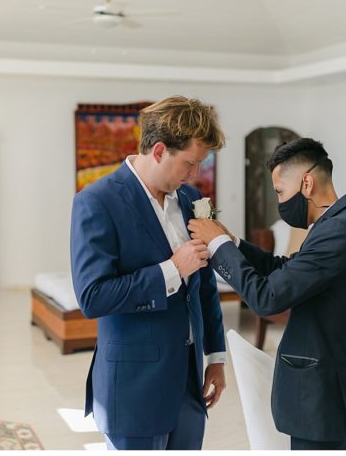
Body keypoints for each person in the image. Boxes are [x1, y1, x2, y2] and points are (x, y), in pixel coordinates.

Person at [187, 138, 346, 450]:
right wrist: (232, 242)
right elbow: (286, 268)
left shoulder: (337, 231)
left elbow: (267, 298)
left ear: (306, 182)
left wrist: (217, 247)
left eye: (279, 191)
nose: (279, 201)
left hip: (327, 407)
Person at [69, 96, 227, 450]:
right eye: (189, 164)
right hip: (133, 389)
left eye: (200, 165)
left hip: (189, 389)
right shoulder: (97, 201)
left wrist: (215, 357)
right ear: (158, 150)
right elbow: (93, 297)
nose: (194, 175)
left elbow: (204, 287)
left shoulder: (189, 199)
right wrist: (171, 270)